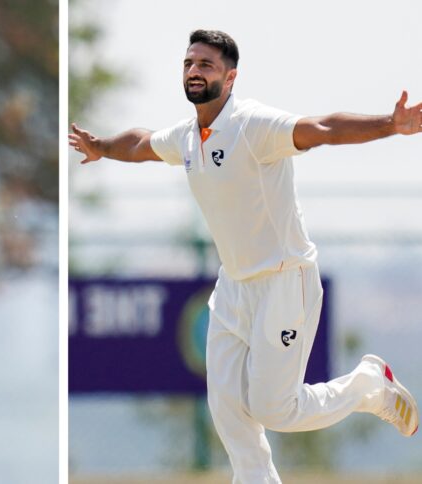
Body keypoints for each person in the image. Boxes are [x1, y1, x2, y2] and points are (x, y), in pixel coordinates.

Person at [69, 29, 420, 483]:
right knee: (228, 408)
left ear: (230, 78)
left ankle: (368, 387)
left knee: (275, 409)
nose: (195, 71)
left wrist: (390, 124)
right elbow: (141, 143)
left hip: (283, 281)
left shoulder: (253, 125)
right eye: (189, 63)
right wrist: (103, 148)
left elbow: (323, 129)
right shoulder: (189, 137)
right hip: (234, 285)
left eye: (207, 65)